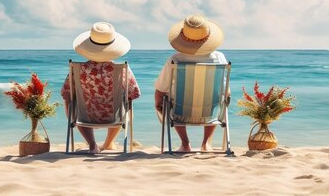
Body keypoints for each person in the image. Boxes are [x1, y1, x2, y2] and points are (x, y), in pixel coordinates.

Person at [61, 21, 140, 154]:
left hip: (84, 116)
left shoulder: (77, 69)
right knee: (125, 103)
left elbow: (66, 93)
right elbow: (133, 93)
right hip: (114, 117)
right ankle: (108, 144)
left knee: (70, 101)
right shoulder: (121, 70)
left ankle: (92, 145)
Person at [154, 14, 227, 152]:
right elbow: (225, 90)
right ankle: (206, 144)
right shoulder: (219, 58)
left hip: (180, 111)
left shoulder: (175, 59)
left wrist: (158, 103)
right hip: (210, 112)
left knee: (166, 101)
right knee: (216, 98)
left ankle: (185, 144)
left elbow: (161, 89)